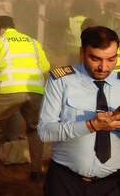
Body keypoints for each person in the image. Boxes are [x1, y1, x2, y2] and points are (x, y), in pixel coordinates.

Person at [37, 26, 120, 195]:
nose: (104, 67)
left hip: (113, 184)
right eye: (95, 59)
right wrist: (91, 125)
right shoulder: (61, 81)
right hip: (65, 182)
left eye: (111, 59)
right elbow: (44, 132)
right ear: (82, 53)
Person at [0, 16, 50, 180]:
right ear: (13, 27)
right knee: (35, 130)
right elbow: (45, 66)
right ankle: (36, 171)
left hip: (9, 90)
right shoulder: (33, 41)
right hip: (35, 90)